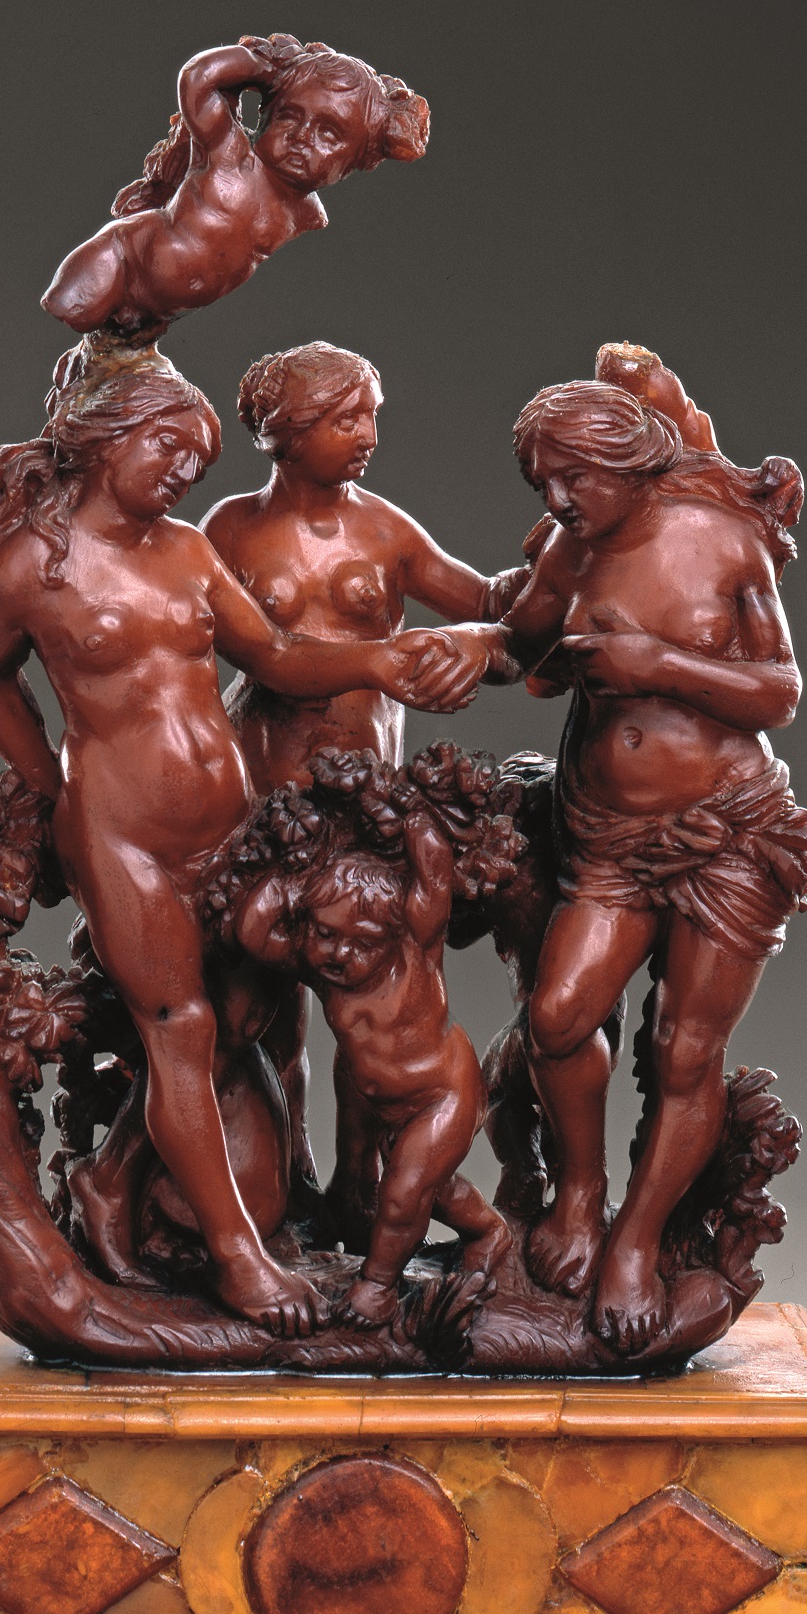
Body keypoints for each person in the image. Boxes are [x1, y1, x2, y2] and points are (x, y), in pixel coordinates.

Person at [0, 356, 481, 1337]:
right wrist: (55, 785)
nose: (186, 470)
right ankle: (238, 1258)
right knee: (180, 1028)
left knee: (243, 1013)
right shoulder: (33, 566)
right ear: (105, 442)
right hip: (125, 837)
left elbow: (275, 656)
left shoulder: (187, 550)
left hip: (227, 825)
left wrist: (380, 661)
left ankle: (110, 1183)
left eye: (197, 454)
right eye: (168, 447)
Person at [464, 366, 807, 1357]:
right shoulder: (568, 548)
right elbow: (515, 646)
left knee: (682, 1051)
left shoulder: (723, 540)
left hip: (728, 829)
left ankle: (637, 1238)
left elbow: (779, 690)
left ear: (624, 464)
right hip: (607, 839)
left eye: (571, 478)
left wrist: (656, 665)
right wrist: (426, 641)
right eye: (542, 483)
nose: (557, 498)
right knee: (558, 1017)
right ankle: (580, 1193)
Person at [200, 339, 527, 1217]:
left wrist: (477, 643)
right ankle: (281, 1183)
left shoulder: (386, 530)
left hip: (368, 806)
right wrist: (380, 658)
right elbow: (260, 656)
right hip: (264, 798)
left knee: (378, 1013)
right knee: (259, 1010)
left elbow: (500, 616)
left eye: (371, 415)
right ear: (282, 431)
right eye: (345, 418)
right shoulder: (227, 532)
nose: (367, 434)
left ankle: (359, 1192)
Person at [232, 812, 513, 1326]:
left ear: (393, 934)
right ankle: (487, 1231)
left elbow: (435, 878)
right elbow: (254, 934)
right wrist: (289, 879)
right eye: (326, 933)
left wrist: (408, 815)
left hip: (441, 1096)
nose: (341, 953)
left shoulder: (414, 950)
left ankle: (378, 1286)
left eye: (363, 943)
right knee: (430, 1189)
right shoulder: (323, 970)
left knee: (404, 1192)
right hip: (376, 1099)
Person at [41, 37, 429, 338]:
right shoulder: (230, 155)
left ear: (358, 160)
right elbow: (198, 78)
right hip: (120, 262)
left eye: (328, 133)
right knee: (74, 308)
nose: (301, 137)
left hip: (155, 312)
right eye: (290, 116)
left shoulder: (306, 214)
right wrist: (266, 69)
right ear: (268, 114)